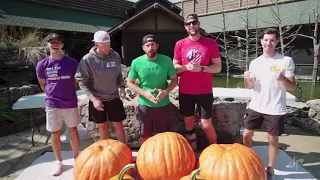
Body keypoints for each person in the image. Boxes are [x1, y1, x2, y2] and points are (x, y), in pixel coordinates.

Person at [242, 28, 296, 180]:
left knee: (272, 139)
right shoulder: (255, 62)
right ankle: (249, 160)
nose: (268, 43)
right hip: (256, 105)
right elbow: (250, 86)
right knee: (246, 135)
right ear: (261, 42)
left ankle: (270, 168)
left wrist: (282, 78)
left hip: (275, 107)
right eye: (266, 40)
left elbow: (292, 86)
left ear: (277, 41)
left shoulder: (286, 61)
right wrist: (247, 79)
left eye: (272, 40)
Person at [172, 13, 222, 151]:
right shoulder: (180, 44)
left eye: (194, 22)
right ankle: (192, 150)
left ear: (198, 24)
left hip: (204, 91)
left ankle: (216, 150)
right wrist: (185, 67)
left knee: (206, 123)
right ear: (185, 27)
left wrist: (201, 68)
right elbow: (174, 67)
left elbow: (218, 67)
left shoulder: (210, 43)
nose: (191, 26)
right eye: (188, 24)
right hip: (185, 91)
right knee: (188, 122)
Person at [36, 33, 80, 176]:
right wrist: (53, 94)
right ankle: (59, 162)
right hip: (52, 104)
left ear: (62, 45)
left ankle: (76, 158)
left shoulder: (72, 62)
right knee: (55, 133)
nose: (55, 44)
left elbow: (75, 82)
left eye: (58, 42)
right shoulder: (42, 65)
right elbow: (43, 85)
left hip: (70, 102)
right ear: (47, 44)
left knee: (73, 130)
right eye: (52, 42)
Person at [75, 30, 127, 143]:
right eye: (104, 46)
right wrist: (93, 99)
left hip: (114, 97)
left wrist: (122, 88)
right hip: (97, 100)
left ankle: (124, 150)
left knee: (119, 126)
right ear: (96, 44)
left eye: (108, 45)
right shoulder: (87, 59)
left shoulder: (115, 56)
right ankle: (106, 153)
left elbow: (119, 75)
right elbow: (81, 81)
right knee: (102, 127)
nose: (107, 48)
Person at [126, 34, 178, 143]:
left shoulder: (167, 60)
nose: (151, 48)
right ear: (143, 47)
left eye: (153, 45)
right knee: (145, 135)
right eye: (148, 45)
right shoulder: (136, 62)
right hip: (145, 104)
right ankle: (144, 158)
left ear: (157, 46)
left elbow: (174, 80)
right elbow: (130, 83)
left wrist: (165, 92)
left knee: (164, 136)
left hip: (163, 103)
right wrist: (144, 93)